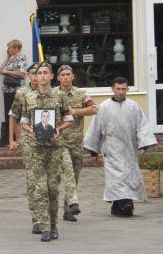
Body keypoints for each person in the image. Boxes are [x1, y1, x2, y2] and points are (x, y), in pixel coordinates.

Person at [84, 77, 157, 216]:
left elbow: (142, 126)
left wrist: (143, 144)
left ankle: (121, 205)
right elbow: (96, 128)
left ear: (127, 89)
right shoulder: (104, 107)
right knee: (116, 177)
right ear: (112, 89)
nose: (121, 92)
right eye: (118, 89)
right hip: (112, 148)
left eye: (124, 89)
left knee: (129, 176)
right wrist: (93, 151)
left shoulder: (134, 106)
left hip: (130, 147)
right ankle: (124, 204)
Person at [21, 62, 74, 242]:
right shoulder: (28, 97)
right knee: (40, 189)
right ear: (35, 77)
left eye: (45, 73)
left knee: (52, 188)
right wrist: (30, 131)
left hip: (54, 147)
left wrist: (59, 129)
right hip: (36, 148)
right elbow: (24, 121)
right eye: (39, 73)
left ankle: (53, 225)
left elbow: (69, 119)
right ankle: (44, 227)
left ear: (52, 76)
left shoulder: (60, 96)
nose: (42, 76)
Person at [53, 65, 97, 222]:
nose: (65, 77)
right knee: (65, 173)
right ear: (58, 78)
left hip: (76, 142)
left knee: (75, 175)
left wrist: (77, 112)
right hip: (59, 141)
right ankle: (66, 204)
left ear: (72, 77)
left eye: (68, 74)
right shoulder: (53, 94)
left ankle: (68, 210)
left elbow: (93, 109)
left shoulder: (81, 93)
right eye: (62, 75)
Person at [9, 63, 43, 233]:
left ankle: (48, 215)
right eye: (34, 73)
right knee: (33, 180)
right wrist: (14, 139)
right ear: (29, 75)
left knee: (51, 181)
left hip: (50, 144)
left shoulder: (53, 93)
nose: (37, 76)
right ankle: (36, 218)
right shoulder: (22, 93)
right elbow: (13, 115)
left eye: (41, 73)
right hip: (29, 142)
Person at [0, 39, 27, 146]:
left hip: (16, 90)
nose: (8, 49)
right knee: (9, 114)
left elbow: (22, 74)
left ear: (16, 48)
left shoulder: (21, 57)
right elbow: (1, 70)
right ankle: (12, 139)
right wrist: (7, 58)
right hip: (7, 90)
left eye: (10, 47)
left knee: (15, 114)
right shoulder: (11, 59)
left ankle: (18, 139)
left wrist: (7, 72)